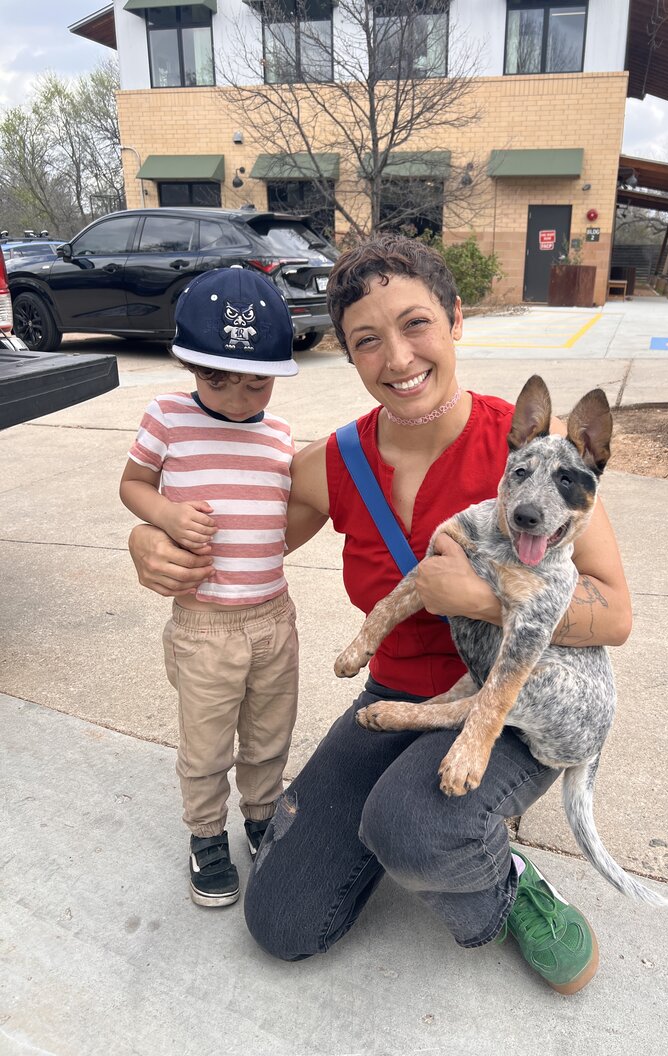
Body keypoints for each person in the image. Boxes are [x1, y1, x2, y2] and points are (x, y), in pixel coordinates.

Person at [128, 237, 631, 992]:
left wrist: (484, 598)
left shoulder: (528, 455)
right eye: (367, 340)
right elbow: (234, 531)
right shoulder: (335, 462)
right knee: (282, 924)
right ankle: (424, 826)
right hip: (394, 696)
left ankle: (500, 876)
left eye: (416, 324)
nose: (396, 358)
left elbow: (615, 611)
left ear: (456, 320)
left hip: (507, 703)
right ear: (350, 356)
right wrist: (149, 534)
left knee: (414, 827)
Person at [120, 266, 300, 909]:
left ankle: (260, 816)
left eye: (258, 383)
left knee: (270, 732)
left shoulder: (279, 435)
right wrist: (163, 517)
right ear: (188, 365)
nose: (238, 398)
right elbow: (133, 483)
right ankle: (205, 834)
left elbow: (285, 516)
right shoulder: (166, 416)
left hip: (274, 615)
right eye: (217, 379)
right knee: (205, 742)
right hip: (206, 622)